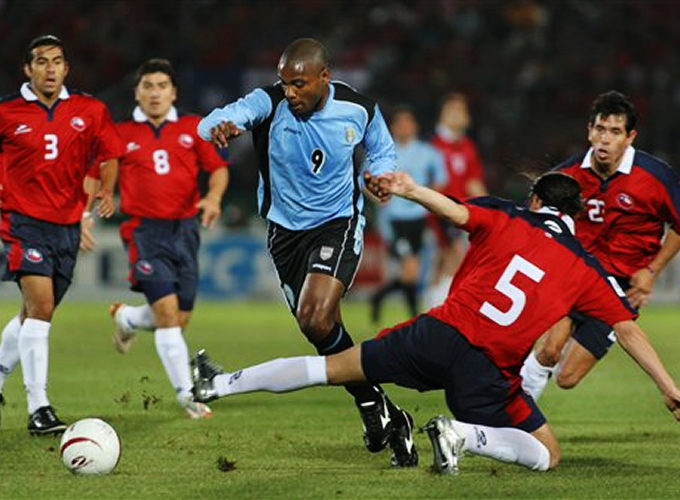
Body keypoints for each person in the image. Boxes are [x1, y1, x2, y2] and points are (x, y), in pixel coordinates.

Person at [190, 170, 680, 473]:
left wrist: (408, 189)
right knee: (547, 453)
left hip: (435, 335)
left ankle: (220, 383)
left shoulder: (504, 215)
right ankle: (462, 436)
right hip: (487, 372)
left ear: (535, 199)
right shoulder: (584, 268)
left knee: (332, 368)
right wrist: (666, 386)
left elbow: (455, 212)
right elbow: (628, 327)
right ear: (576, 218)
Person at [196, 38, 409, 461]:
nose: (289, 92)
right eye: (284, 84)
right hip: (283, 234)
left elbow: (383, 150)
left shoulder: (358, 108)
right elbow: (215, 121)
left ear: (324, 78)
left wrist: (379, 175)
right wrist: (221, 126)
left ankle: (372, 406)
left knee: (315, 314)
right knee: (319, 328)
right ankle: (379, 407)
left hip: (337, 225)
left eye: (298, 84)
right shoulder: (269, 102)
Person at [521, 90, 680, 401]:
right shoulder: (568, 175)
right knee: (550, 350)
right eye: (599, 129)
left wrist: (652, 270)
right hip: (575, 276)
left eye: (615, 132)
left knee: (567, 378)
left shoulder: (655, 177)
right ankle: (514, 417)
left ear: (630, 136)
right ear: (589, 131)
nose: (605, 139)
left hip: (620, 287)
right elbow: (534, 218)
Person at [0, 35, 123, 434]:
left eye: (56, 61)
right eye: (41, 61)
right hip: (22, 222)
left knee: (32, 314)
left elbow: (109, 154)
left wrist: (106, 188)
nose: (50, 68)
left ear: (66, 68)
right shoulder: (6, 112)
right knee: (42, 308)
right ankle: (39, 408)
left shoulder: (89, 110)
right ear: (27, 69)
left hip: (67, 226)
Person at [107, 59, 228, 419]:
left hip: (185, 230)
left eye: (162, 85)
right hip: (144, 231)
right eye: (148, 86)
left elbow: (218, 169)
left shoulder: (193, 127)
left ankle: (128, 319)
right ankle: (186, 394)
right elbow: (100, 172)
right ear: (137, 92)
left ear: (173, 91)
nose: (155, 92)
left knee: (177, 318)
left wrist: (213, 198)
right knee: (168, 316)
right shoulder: (121, 133)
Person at [370, 106, 447, 324]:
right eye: (400, 123)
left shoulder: (427, 152)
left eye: (408, 122)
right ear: (392, 127)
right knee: (411, 268)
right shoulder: (384, 152)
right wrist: (377, 196)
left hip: (419, 219)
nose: (404, 127)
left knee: (411, 272)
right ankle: (414, 318)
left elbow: (441, 178)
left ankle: (379, 297)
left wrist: (429, 200)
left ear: (415, 126)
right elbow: (365, 180)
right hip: (395, 220)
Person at [426, 92, 488, 308]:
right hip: (436, 213)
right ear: (443, 114)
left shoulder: (467, 146)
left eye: (462, 111)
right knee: (447, 259)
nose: (460, 116)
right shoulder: (432, 145)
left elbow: (473, 182)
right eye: (454, 111)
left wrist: (490, 209)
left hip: (460, 212)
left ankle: (433, 309)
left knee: (448, 261)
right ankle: (439, 309)